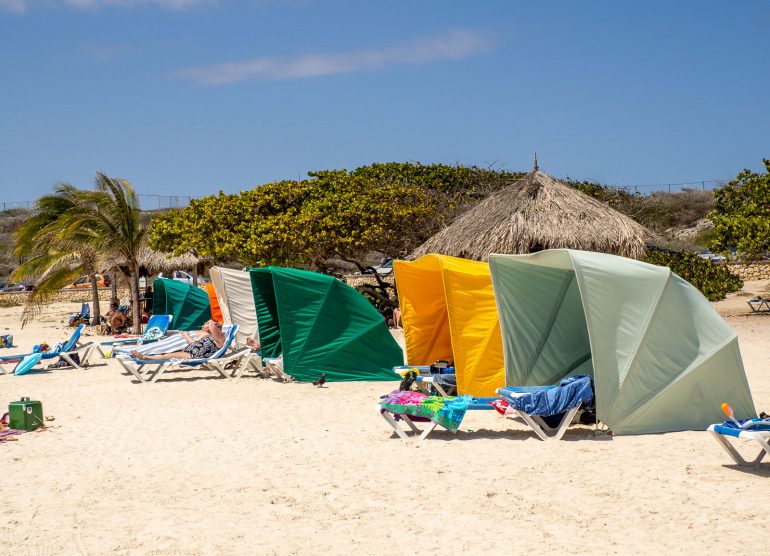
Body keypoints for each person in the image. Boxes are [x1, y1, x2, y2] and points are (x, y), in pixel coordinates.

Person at [130, 320, 224, 361]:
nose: (204, 323)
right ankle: (145, 357)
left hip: (198, 354)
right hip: (191, 350)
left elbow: (212, 325)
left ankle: (146, 357)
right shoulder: (207, 336)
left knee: (169, 355)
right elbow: (194, 344)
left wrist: (212, 323)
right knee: (168, 355)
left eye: (206, 322)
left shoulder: (219, 339)